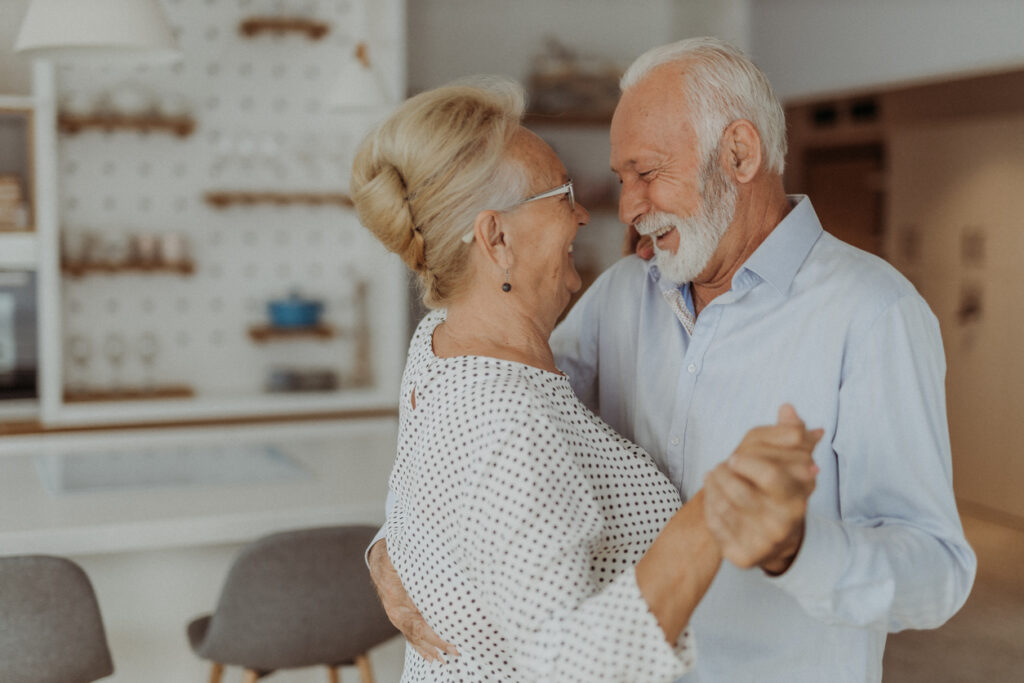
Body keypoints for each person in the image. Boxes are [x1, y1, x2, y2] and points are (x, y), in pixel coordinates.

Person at [369, 38, 978, 682]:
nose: (627, 207)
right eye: (622, 178)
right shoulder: (623, 295)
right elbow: (490, 432)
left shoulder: (873, 313)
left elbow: (937, 572)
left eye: (647, 172)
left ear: (739, 153)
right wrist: (398, 546)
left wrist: (795, 549)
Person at [352, 78, 822, 682]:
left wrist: (396, 547)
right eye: (561, 194)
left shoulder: (441, 342)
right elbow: (568, 669)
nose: (583, 213)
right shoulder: (508, 418)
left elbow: (445, 490)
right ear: (497, 239)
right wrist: (712, 512)